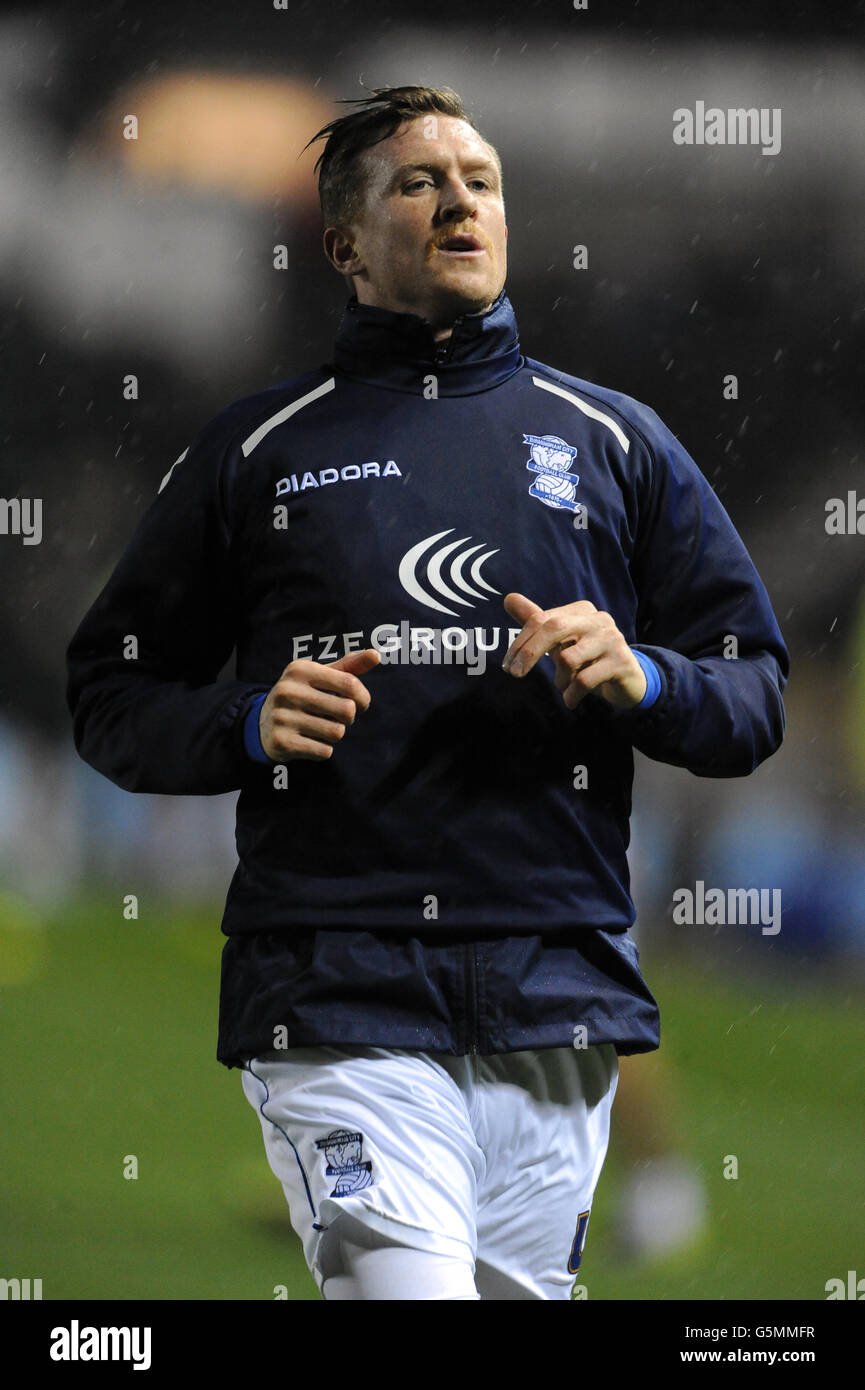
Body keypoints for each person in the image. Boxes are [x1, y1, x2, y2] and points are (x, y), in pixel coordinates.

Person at [66, 84, 789, 1301]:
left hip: (553, 1009)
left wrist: (647, 674)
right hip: (339, 1000)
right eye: (420, 182)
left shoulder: (613, 441)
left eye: (482, 180)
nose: (462, 199)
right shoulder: (262, 452)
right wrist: (244, 721)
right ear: (345, 243)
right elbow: (109, 689)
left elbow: (751, 687)